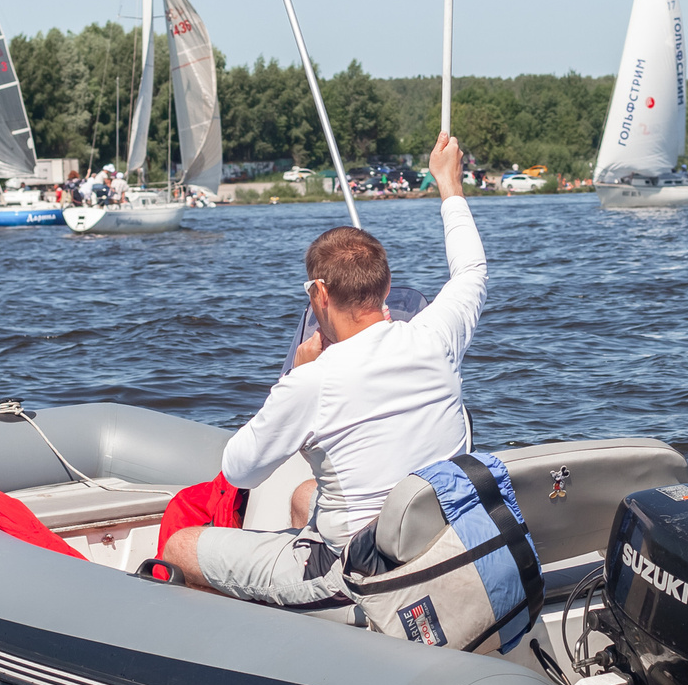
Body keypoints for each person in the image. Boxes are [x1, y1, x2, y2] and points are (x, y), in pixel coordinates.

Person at [161, 133, 484, 604]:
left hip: (358, 570)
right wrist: (449, 186)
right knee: (301, 495)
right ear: (386, 285)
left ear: (320, 296)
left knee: (181, 545)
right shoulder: (437, 337)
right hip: (433, 543)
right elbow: (471, 270)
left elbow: (239, 470)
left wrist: (294, 375)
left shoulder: (312, 381)